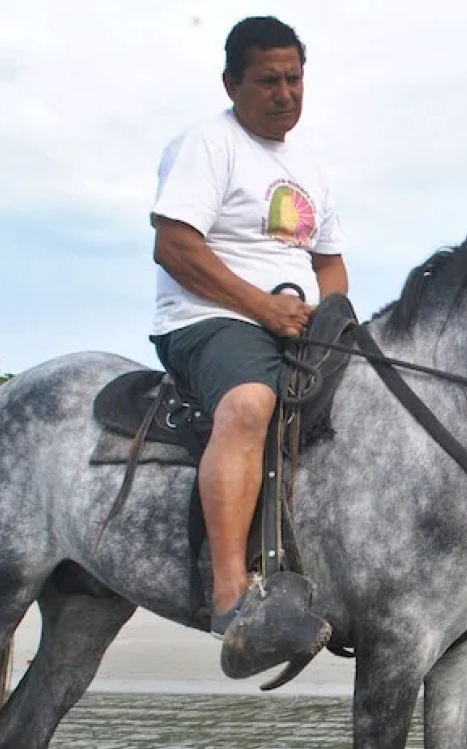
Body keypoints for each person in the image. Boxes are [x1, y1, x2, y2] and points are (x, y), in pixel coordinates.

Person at [148, 15, 348, 642]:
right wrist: (264, 309)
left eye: (294, 79)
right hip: (210, 319)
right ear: (232, 82)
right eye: (268, 81)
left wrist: (331, 318)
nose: (285, 93)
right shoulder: (209, 144)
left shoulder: (311, 162)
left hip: (295, 324)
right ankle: (231, 595)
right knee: (249, 403)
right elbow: (175, 247)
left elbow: (330, 263)